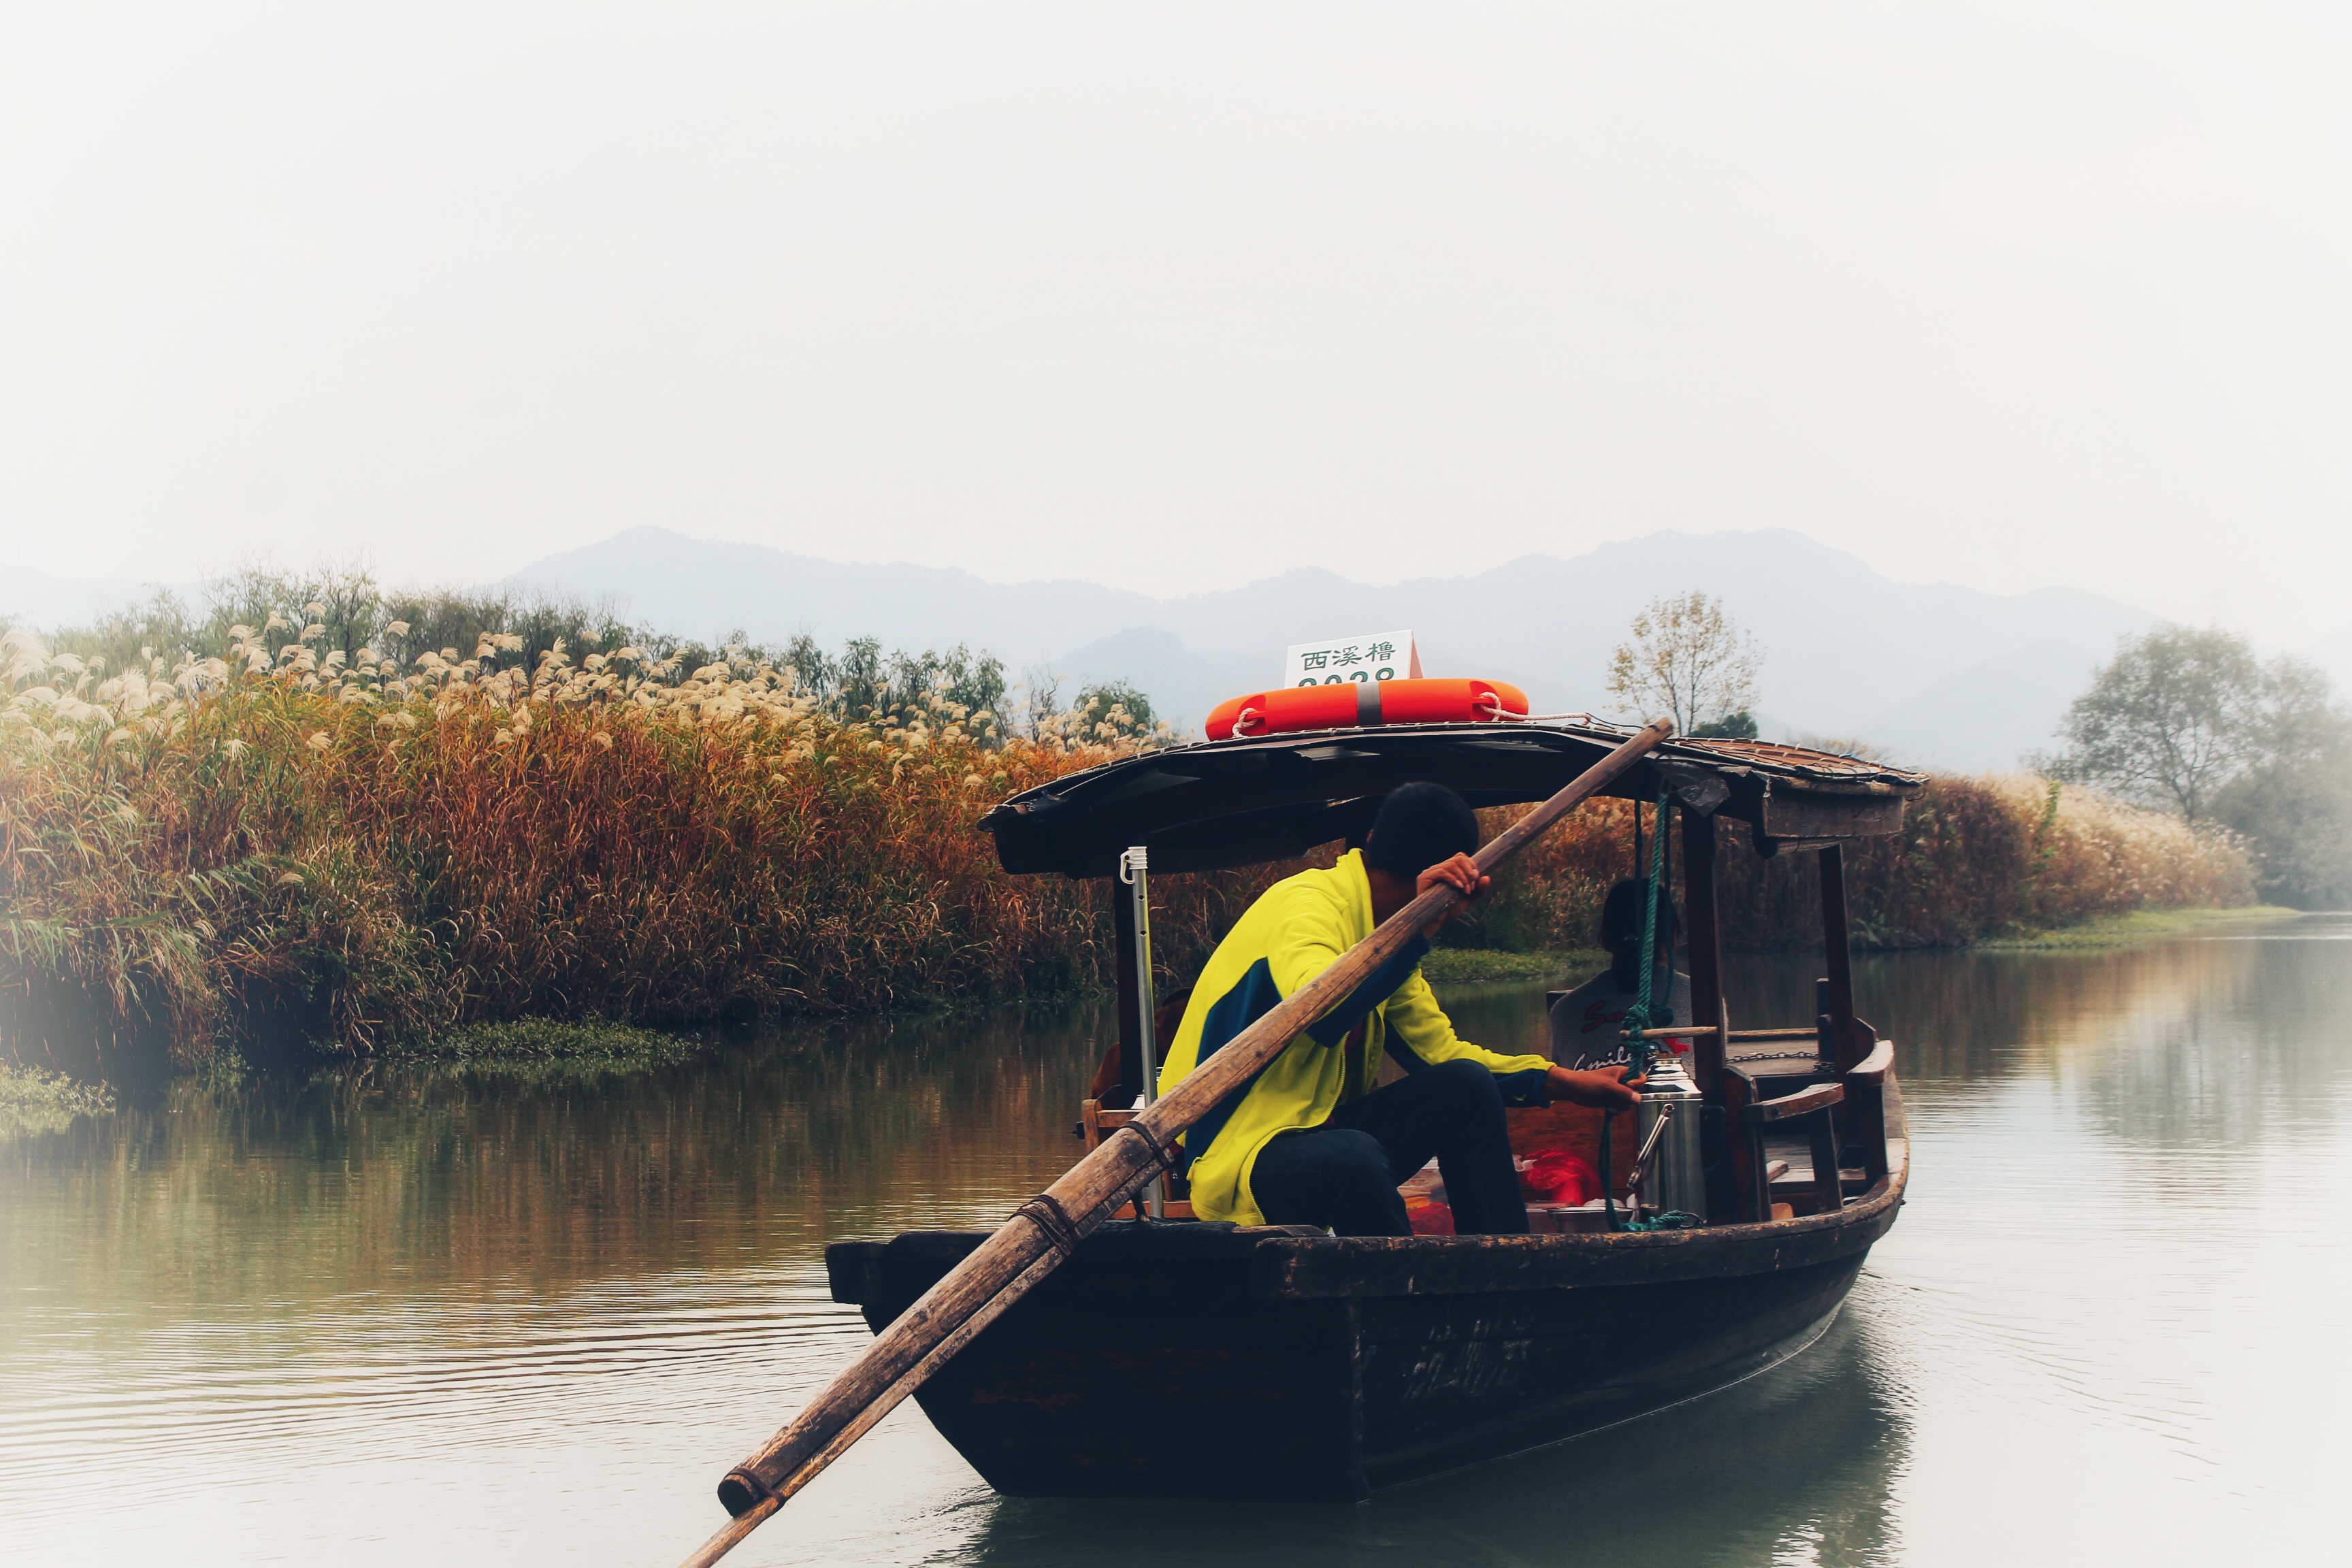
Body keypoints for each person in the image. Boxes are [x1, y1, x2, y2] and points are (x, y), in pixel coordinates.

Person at [1157, 782, 1645, 1236]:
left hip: (1312, 1136)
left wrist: (1563, 1082)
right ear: (1447, 877)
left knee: (1466, 1087)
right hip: (1234, 1155)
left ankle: (1503, 1272)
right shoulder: (1305, 908)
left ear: (1371, 839)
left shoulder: (1384, 940)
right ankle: (1406, 1302)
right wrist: (1422, 927)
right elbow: (1321, 1013)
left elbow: (1441, 1056)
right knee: (1354, 1156)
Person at [1548, 877, 1693, 1071]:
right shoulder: (1704, 1001)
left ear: (1605, 939)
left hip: (1589, 1102)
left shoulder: (1564, 1009)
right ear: (1673, 938)